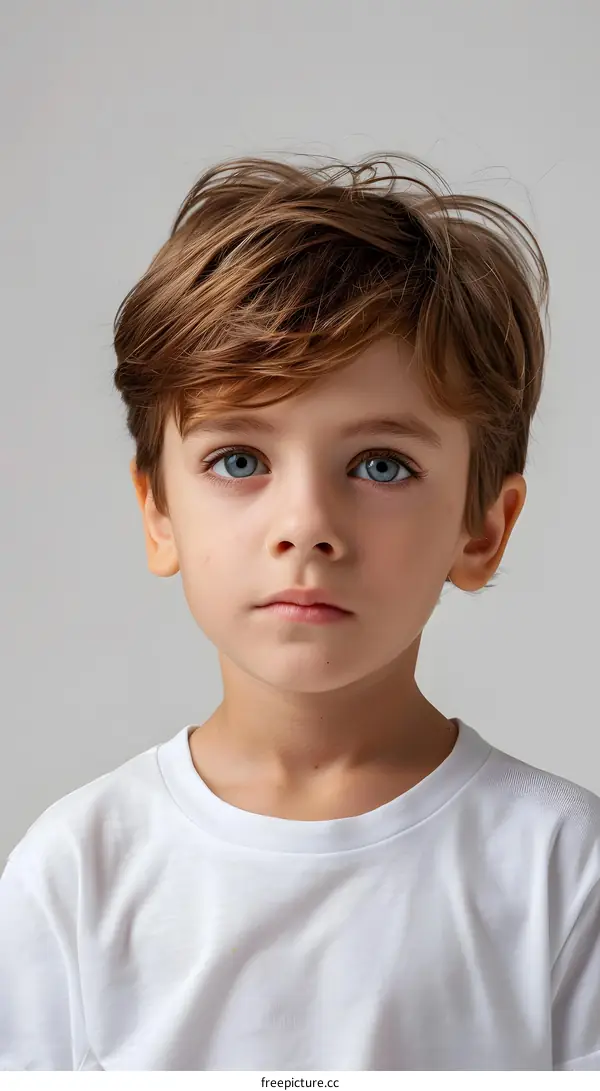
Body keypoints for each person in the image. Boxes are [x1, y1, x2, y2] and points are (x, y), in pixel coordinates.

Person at [1, 151, 599, 1073]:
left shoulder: (566, 873)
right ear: (157, 511)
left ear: (483, 526)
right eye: (240, 459)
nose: (308, 527)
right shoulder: (76, 871)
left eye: (381, 465)